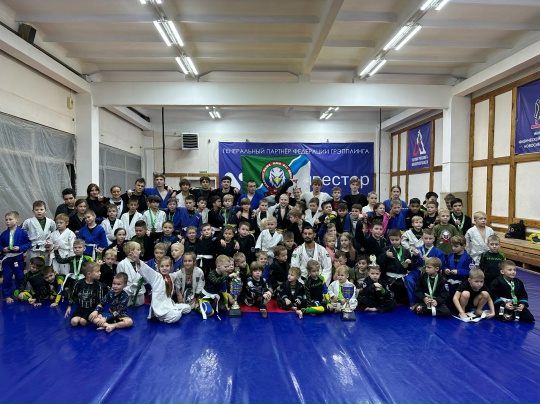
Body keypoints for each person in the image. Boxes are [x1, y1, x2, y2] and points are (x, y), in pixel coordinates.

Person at [139, 256, 193, 323]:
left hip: (169, 304)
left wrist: (188, 264)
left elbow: (181, 271)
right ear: (159, 267)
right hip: (160, 308)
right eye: (162, 266)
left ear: (171, 267)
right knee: (177, 315)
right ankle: (162, 317)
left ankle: (173, 311)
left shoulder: (171, 276)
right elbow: (146, 270)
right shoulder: (156, 277)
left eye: (167, 266)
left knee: (188, 307)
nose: (164, 268)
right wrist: (137, 261)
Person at [405, 229, 445, 310]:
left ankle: (433, 301)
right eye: (426, 238)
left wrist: (429, 261)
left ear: (434, 239)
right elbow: (413, 266)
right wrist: (414, 256)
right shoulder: (418, 249)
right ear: (422, 239)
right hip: (419, 270)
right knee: (408, 278)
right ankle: (414, 302)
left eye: (430, 238)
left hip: (431, 273)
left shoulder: (438, 252)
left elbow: (441, 266)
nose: (428, 240)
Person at [0, 211, 32, 302]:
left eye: (10, 219)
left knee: (20, 276)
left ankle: (20, 293)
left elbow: (28, 243)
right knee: (7, 277)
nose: (8, 221)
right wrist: (3, 249)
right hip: (7, 259)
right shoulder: (3, 234)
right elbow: (0, 245)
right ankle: (7, 295)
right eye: (6, 220)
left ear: (17, 220)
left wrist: (20, 248)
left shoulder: (23, 233)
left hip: (18, 258)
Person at [64, 261, 108, 327]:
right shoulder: (78, 283)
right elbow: (73, 295)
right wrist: (69, 306)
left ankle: (88, 319)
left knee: (83, 322)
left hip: (91, 309)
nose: (100, 273)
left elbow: (101, 301)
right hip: (80, 308)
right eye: (97, 271)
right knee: (74, 322)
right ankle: (83, 318)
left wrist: (97, 311)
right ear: (89, 274)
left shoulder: (99, 285)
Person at [22, 200, 56, 269]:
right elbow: (23, 234)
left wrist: (50, 243)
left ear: (45, 210)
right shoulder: (28, 222)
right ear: (33, 211)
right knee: (32, 267)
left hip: (45, 248)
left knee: (45, 267)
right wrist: (26, 245)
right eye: (36, 210)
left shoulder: (51, 222)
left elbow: (54, 234)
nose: (39, 211)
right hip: (32, 248)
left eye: (41, 209)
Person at [116, 241, 146, 307]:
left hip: (139, 293)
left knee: (140, 310)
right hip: (127, 293)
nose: (140, 251)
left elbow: (146, 277)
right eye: (138, 250)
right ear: (130, 252)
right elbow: (119, 281)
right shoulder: (122, 264)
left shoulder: (141, 263)